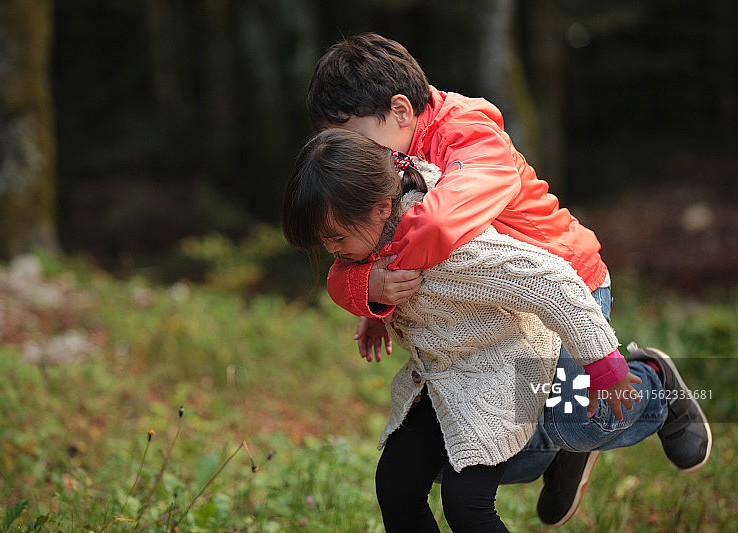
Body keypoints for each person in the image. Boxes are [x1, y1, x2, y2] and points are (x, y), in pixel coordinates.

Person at [305, 32, 712, 526]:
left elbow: (441, 226)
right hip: (504, 318)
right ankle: (565, 450)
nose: (353, 155)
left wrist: (385, 272)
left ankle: (656, 386)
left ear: (400, 110)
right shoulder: (392, 158)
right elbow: (371, 245)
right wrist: (375, 297)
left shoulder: (469, 132)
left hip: (562, 283)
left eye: (355, 139)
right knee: (471, 454)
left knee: (574, 419)